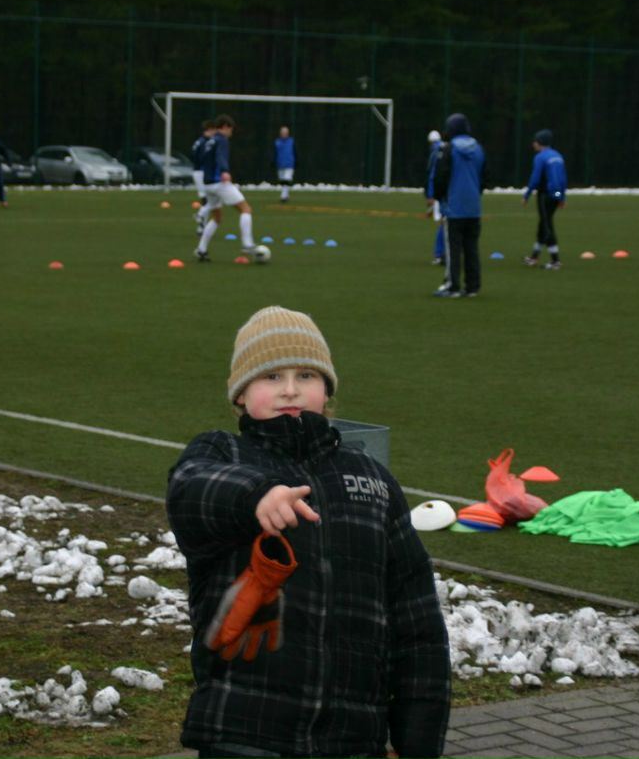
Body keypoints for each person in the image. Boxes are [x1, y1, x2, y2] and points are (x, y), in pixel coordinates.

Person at [167, 305, 451, 759]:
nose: (291, 389)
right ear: (240, 394)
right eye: (272, 377)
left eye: (306, 375)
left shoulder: (372, 478)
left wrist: (418, 736)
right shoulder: (223, 454)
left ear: (328, 388)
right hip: (243, 728)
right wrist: (256, 496)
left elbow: (415, 616)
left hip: (353, 736)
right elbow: (190, 491)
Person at [432, 113, 488, 298]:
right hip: (474, 207)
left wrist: (440, 198)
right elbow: (484, 178)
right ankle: (473, 286)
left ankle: (452, 285)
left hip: (454, 207)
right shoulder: (479, 149)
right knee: (471, 247)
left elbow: (442, 177)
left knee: (453, 249)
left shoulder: (449, 149)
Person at [194, 115, 257, 262]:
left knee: (217, 218)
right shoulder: (222, 140)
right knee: (245, 209)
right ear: (225, 127)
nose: (231, 133)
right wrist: (224, 170)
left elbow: (202, 158)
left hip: (207, 183)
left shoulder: (209, 141)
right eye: (230, 129)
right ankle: (247, 244)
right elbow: (220, 156)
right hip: (219, 182)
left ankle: (201, 250)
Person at [521, 129, 568, 270]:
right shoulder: (558, 156)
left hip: (545, 195)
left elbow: (535, 179)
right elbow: (563, 179)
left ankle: (555, 261)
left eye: (535, 141)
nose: (533, 143)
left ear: (540, 142)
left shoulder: (540, 157)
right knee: (543, 224)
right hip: (556, 193)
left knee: (547, 226)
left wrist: (527, 195)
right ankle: (534, 257)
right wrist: (562, 197)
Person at [192, 120, 216, 235]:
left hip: (198, 172)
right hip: (202, 172)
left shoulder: (199, 141)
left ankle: (201, 228)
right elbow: (201, 158)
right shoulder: (205, 142)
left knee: (206, 200)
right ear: (210, 129)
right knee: (209, 200)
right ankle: (200, 216)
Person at [425, 130, 445, 267]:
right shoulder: (448, 148)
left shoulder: (435, 152)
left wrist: (430, 194)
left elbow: (432, 174)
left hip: (440, 191)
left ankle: (439, 254)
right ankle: (446, 254)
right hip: (451, 192)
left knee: (443, 224)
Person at [273, 125, 297, 202]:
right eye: (282, 132)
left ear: (288, 133)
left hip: (289, 164)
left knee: (287, 180)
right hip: (280, 164)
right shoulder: (277, 142)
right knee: (282, 181)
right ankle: (286, 195)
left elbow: (296, 152)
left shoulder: (292, 141)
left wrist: (296, 161)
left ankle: (283, 197)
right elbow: (274, 153)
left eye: (285, 132)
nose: (284, 134)